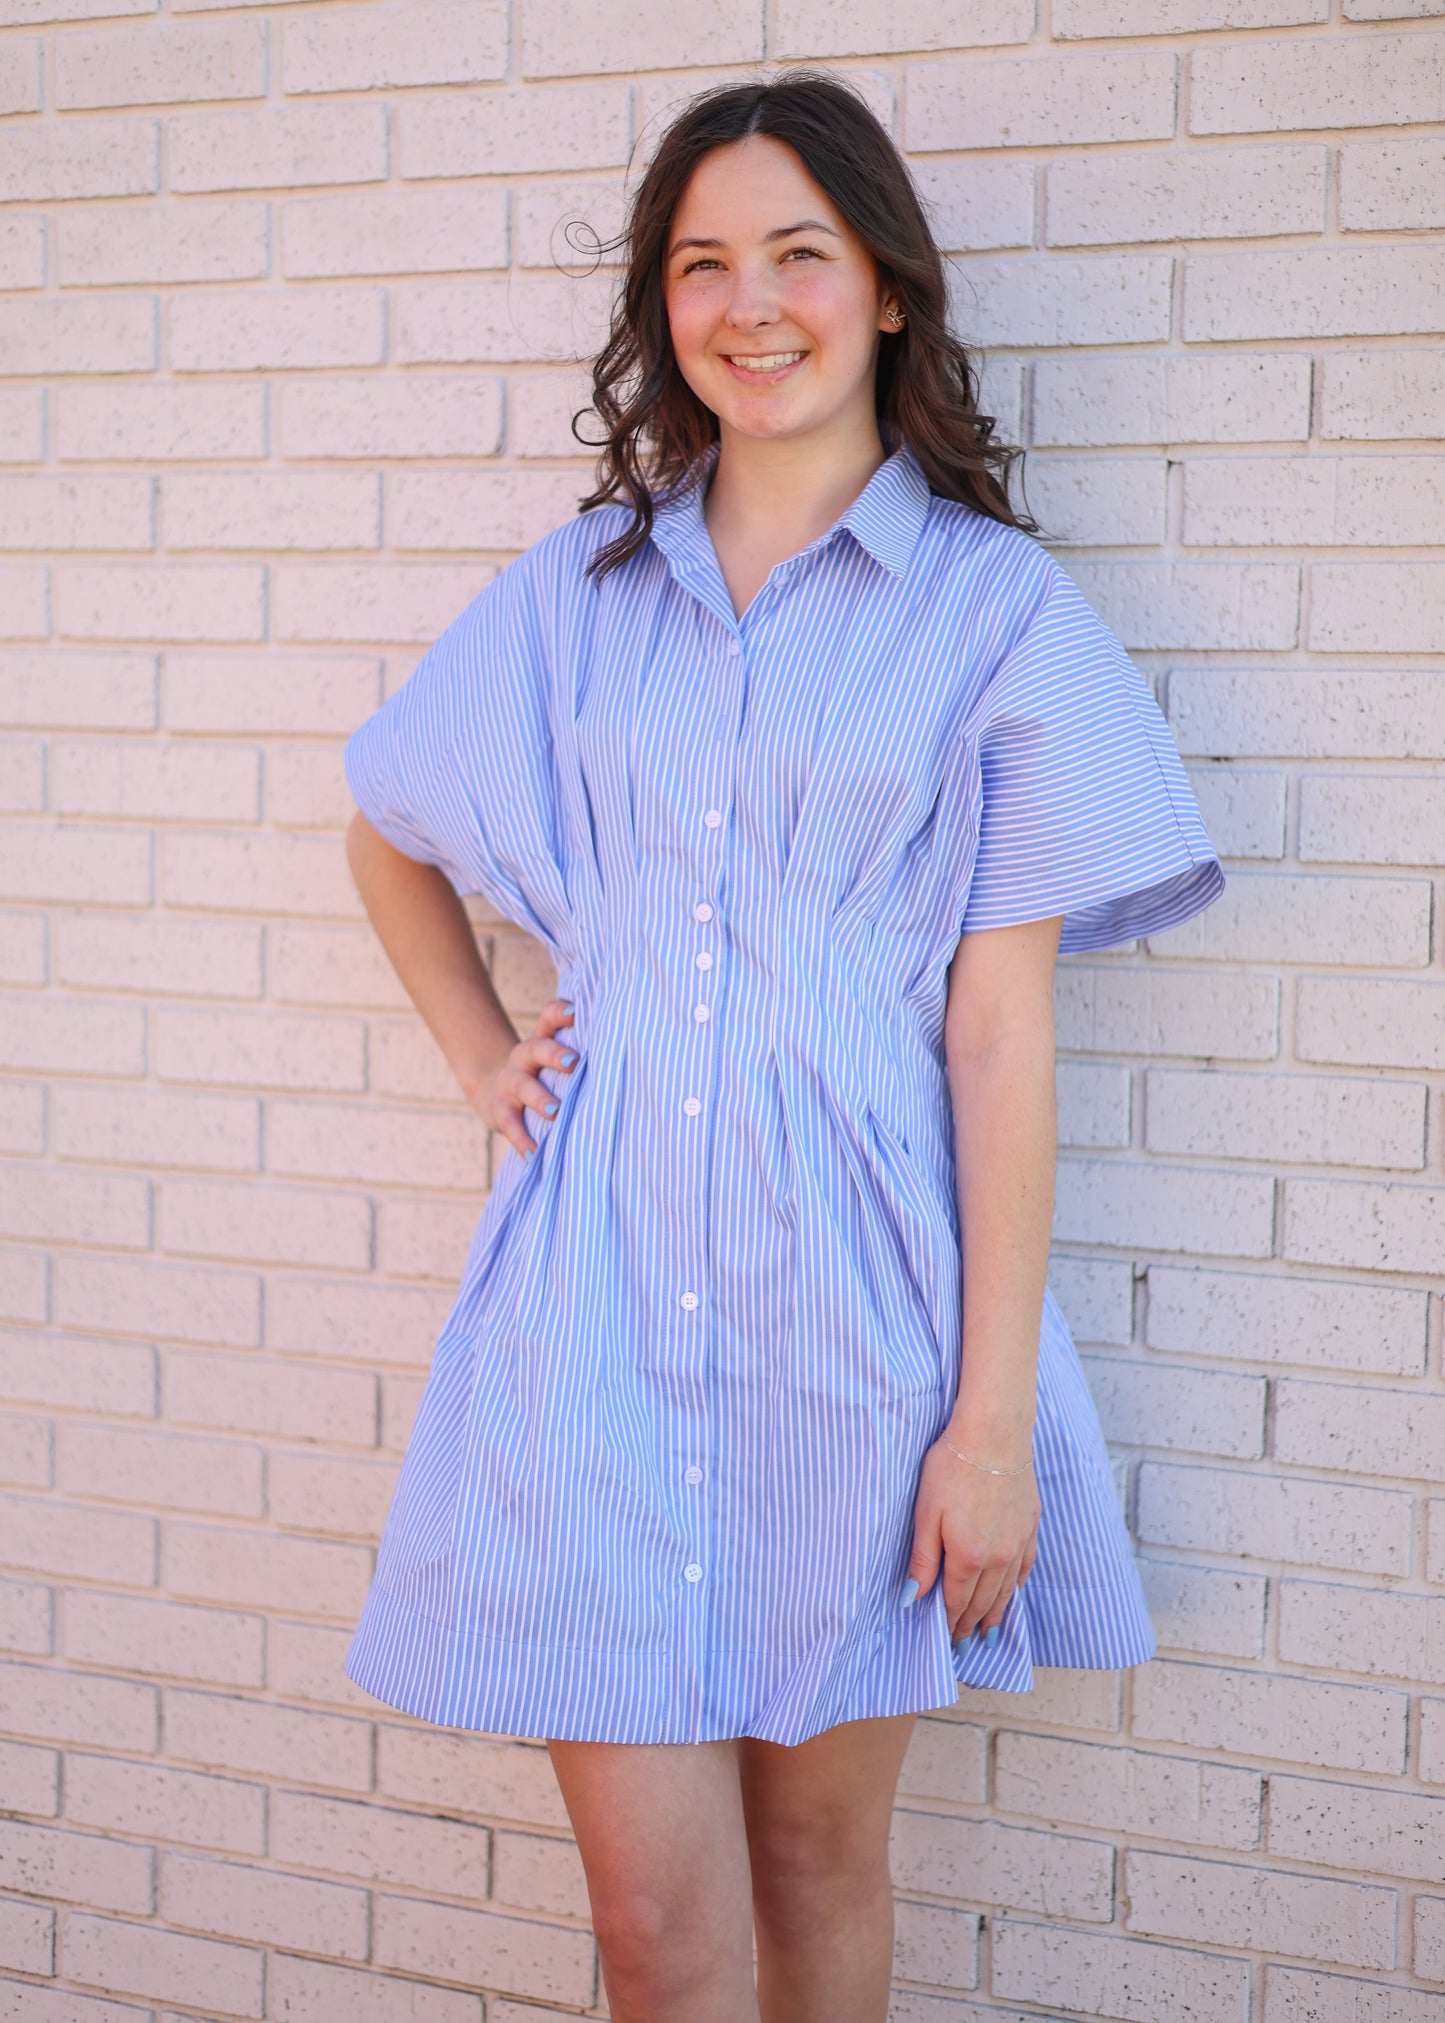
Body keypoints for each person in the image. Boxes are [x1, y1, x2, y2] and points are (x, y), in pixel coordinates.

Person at [339, 68, 1224, 2023]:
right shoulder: (576, 604)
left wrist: (987, 1433)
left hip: (860, 1318)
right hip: (592, 1320)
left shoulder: (999, 617)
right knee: (659, 1932)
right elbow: (386, 825)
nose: (752, 302)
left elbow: (1000, 1037)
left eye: (798, 254)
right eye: (702, 263)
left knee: (823, 1875)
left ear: (887, 289)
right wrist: (490, 1052)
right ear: (667, 309)